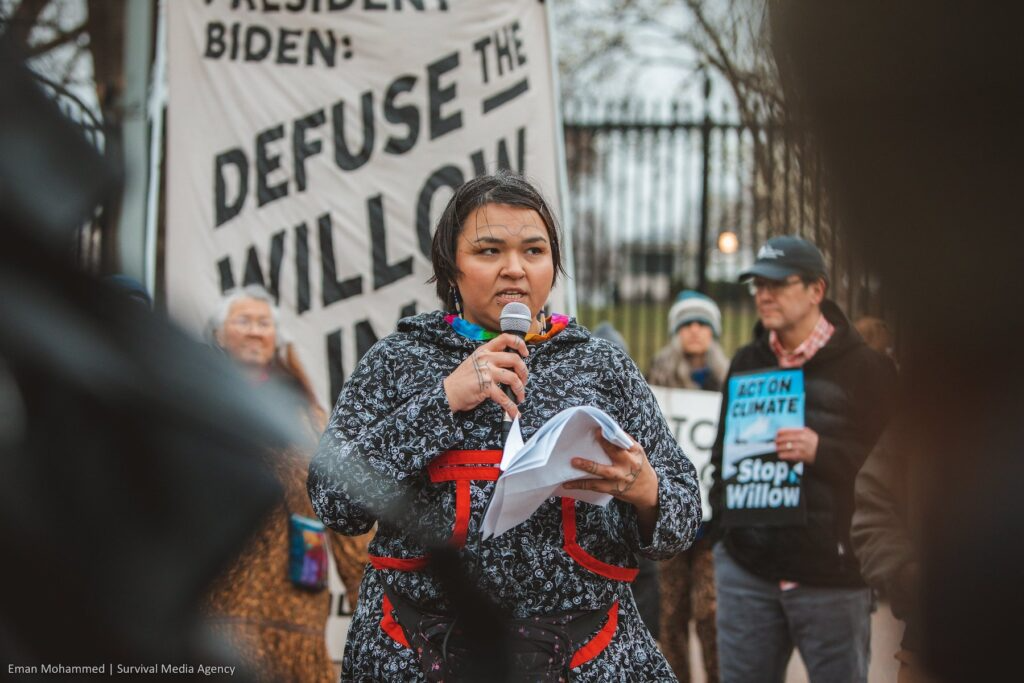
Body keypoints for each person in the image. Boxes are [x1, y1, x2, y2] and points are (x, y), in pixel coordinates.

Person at [308, 170, 701, 682]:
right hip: (415, 652)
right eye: (489, 251)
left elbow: (683, 514)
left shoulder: (600, 365)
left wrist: (645, 489)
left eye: (534, 252)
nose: (515, 269)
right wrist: (444, 400)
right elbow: (334, 500)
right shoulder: (398, 360)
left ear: (554, 266)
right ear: (450, 268)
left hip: (587, 655)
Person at [709, 235, 896, 683]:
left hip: (830, 577)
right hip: (748, 572)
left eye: (777, 283)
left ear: (817, 290)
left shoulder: (869, 370)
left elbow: (893, 475)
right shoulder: (747, 361)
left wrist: (822, 451)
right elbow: (721, 456)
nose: (763, 294)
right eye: (757, 284)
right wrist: (725, 535)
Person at [203, 285, 370, 682]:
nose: (256, 331)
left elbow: (341, 498)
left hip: (296, 601)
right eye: (243, 321)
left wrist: (364, 591)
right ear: (217, 336)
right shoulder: (198, 402)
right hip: (222, 590)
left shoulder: (306, 415)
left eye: (264, 323)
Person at [647, 290, 727, 683]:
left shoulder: (728, 381)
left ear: (714, 332)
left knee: (710, 611)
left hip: (713, 525)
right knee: (671, 611)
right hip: (669, 518)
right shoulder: (656, 379)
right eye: (687, 324)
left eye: (703, 324)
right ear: (677, 332)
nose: (695, 332)